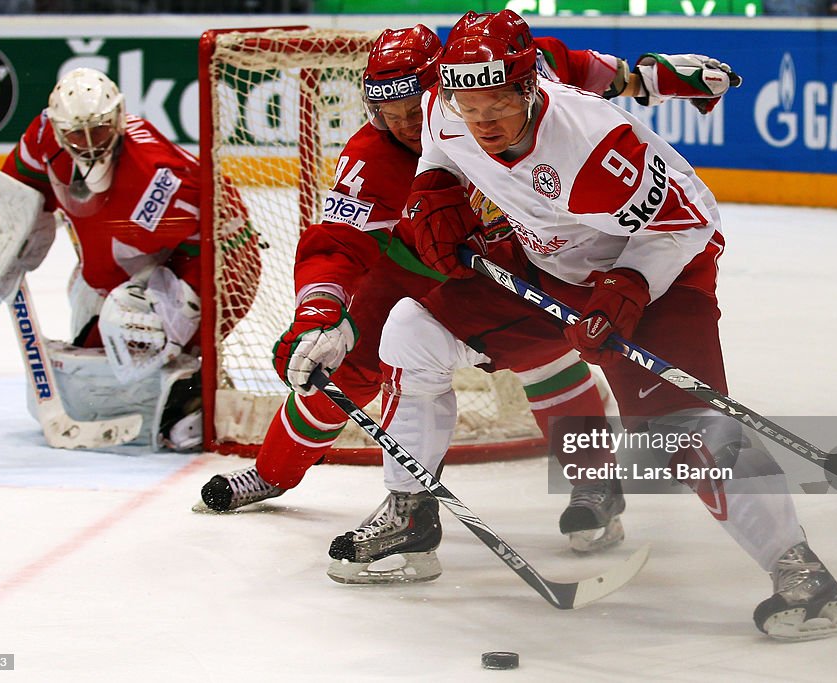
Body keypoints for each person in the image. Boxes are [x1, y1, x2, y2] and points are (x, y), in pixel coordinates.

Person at [331, 9, 837, 641]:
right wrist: (434, 189)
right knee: (411, 332)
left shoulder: (594, 145)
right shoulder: (448, 103)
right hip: (546, 259)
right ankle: (411, 514)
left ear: (530, 86)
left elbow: (692, 222)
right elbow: (444, 144)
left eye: (498, 102)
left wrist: (628, 284)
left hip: (658, 266)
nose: (484, 121)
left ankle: (801, 574)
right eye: (470, 106)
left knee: (689, 429)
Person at [199, 26, 645, 563]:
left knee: (542, 353)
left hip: (511, 255)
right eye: (390, 109)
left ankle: (596, 484)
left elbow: (576, 66)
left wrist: (652, 77)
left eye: (416, 103)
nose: (406, 123)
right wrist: (321, 309)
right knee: (342, 370)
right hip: (407, 270)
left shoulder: (496, 86)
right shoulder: (373, 159)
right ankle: (272, 474)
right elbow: (338, 243)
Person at [0, 67, 258, 450]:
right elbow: (20, 188)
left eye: (97, 129)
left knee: (127, 323)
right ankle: (160, 376)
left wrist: (184, 314)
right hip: (145, 262)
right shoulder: (46, 134)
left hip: (222, 268)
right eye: (76, 133)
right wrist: (5, 233)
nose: (87, 143)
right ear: (57, 127)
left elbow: (213, 242)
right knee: (90, 319)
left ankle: (195, 394)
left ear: (118, 118)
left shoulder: (157, 179)